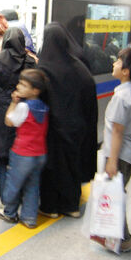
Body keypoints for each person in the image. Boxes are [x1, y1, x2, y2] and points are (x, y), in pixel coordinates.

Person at [38, 22, 98, 218]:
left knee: (51, 168)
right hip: (77, 128)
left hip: (52, 131)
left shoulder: (44, 68)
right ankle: (71, 206)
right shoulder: (79, 67)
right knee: (72, 165)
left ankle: (50, 207)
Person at [103, 47, 131, 253]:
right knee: (117, 192)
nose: (114, 64)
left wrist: (112, 161)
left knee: (114, 194)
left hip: (119, 154)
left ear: (126, 71)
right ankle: (113, 235)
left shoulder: (121, 98)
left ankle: (123, 237)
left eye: (118, 62)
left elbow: (117, 132)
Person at [0, 27, 36, 202]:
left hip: (4, 108)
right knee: (20, 153)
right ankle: (21, 196)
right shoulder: (31, 61)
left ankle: (6, 199)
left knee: (3, 155)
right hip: (25, 106)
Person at [0, 69, 49, 229]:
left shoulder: (24, 107)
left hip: (22, 153)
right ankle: (29, 218)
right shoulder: (43, 107)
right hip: (40, 154)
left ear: (35, 90)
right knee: (32, 186)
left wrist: (13, 103)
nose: (19, 86)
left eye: (23, 85)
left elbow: (9, 121)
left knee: (13, 183)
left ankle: (9, 212)